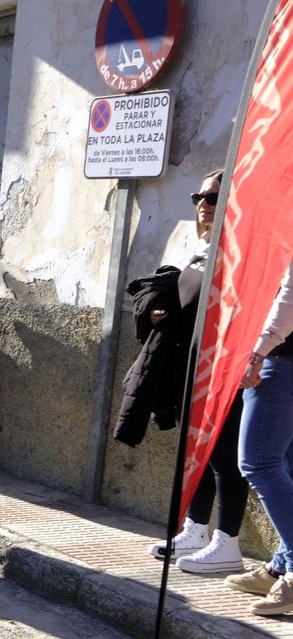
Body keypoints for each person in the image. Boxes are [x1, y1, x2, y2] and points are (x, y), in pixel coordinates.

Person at [123, 170, 250, 577]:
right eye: (199, 197)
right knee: (197, 449)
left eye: (213, 197)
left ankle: (227, 542)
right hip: (192, 364)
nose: (203, 204)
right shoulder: (200, 246)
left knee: (223, 454)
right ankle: (196, 529)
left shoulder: (240, 249)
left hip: (225, 364)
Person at [236, 257, 293, 616]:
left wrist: (257, 354)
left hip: (281, 359)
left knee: (258, 463)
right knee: (285, 464)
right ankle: (281, 566)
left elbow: (289, 295)